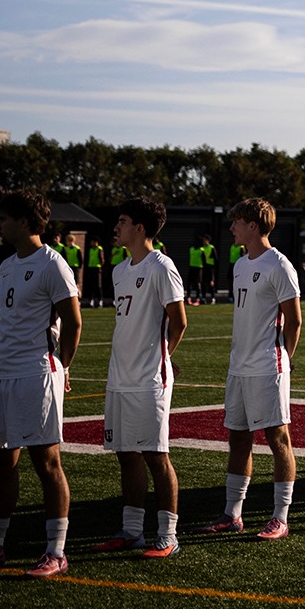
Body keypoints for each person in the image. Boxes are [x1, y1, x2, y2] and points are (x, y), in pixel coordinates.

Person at [0, 189, 82, 578]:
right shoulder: (6, 266)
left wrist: (63, 367)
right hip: (2, 374)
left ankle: (56, 552)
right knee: (0, 462)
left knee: (47, 462)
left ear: (24, 221)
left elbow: (73, 323)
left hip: (37, 373)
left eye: (3, 218)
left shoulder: (53, 264)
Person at [195, 198, 303, 539]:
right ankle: (232, 514)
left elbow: (295, 320)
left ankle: (280, 517)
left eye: (237, 223)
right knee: (238, 439)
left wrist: (283, 359)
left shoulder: (280, 265)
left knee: (278, 438)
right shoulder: (241, 264)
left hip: (267, 366)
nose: (231, 229)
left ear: (253, 226)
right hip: (238, 367)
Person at [89, 198, 188, 558]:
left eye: (122, 221)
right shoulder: (119, 270)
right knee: (125, 455)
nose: (116, 227)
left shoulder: (162, 266)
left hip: (149, 379)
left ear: (140, 229)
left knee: (156, 456)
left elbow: (179, 321)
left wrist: (164, 357)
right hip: (119, 377)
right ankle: (132, 531)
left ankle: (168, 535)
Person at [82, 240, 106, 309]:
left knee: (98, 286)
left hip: (97, 268)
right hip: (91, 268)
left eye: (94, 242)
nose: (92, 243)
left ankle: (100, 301)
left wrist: (100, 266)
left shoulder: (99, 249)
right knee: (91, 286)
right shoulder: (90, 249)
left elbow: (102, 260)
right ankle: (91, 301)